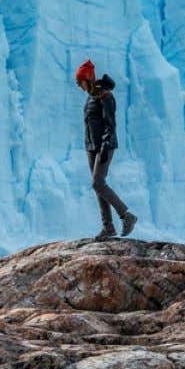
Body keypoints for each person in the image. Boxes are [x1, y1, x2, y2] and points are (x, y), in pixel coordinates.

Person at [75, 59, 137, 240]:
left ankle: (127, 216)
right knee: (98, 187)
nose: (79, 86)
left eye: (80, 82)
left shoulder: (105, 96)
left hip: (104, 146)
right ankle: (108, 227)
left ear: (88, 78)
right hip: (91, 146)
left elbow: (110, 124)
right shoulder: (91, 96)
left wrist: (105, 147)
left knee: (98, 183)